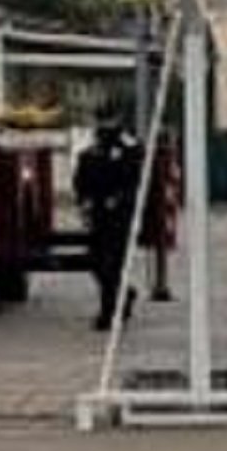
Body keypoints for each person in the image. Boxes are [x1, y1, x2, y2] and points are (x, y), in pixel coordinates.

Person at [73, 111, 142, 331]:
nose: (105, 128)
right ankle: (124, 295)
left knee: (113, 265)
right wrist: (84, 202)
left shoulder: (129, 151)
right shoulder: (89, 154)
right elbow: (80, 182)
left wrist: (120, 199)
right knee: (96, 263)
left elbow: (135, 181)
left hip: (120, 218)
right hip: (98, 217)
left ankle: (109, 312)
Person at [142, 130, 182, 304]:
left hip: (164, 210)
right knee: (159, 248)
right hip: (160, 211)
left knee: (161, 249)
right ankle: (159, 285)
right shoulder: (161, 159)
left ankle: (160, 284)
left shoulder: (165, 159)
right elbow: (162, 184)